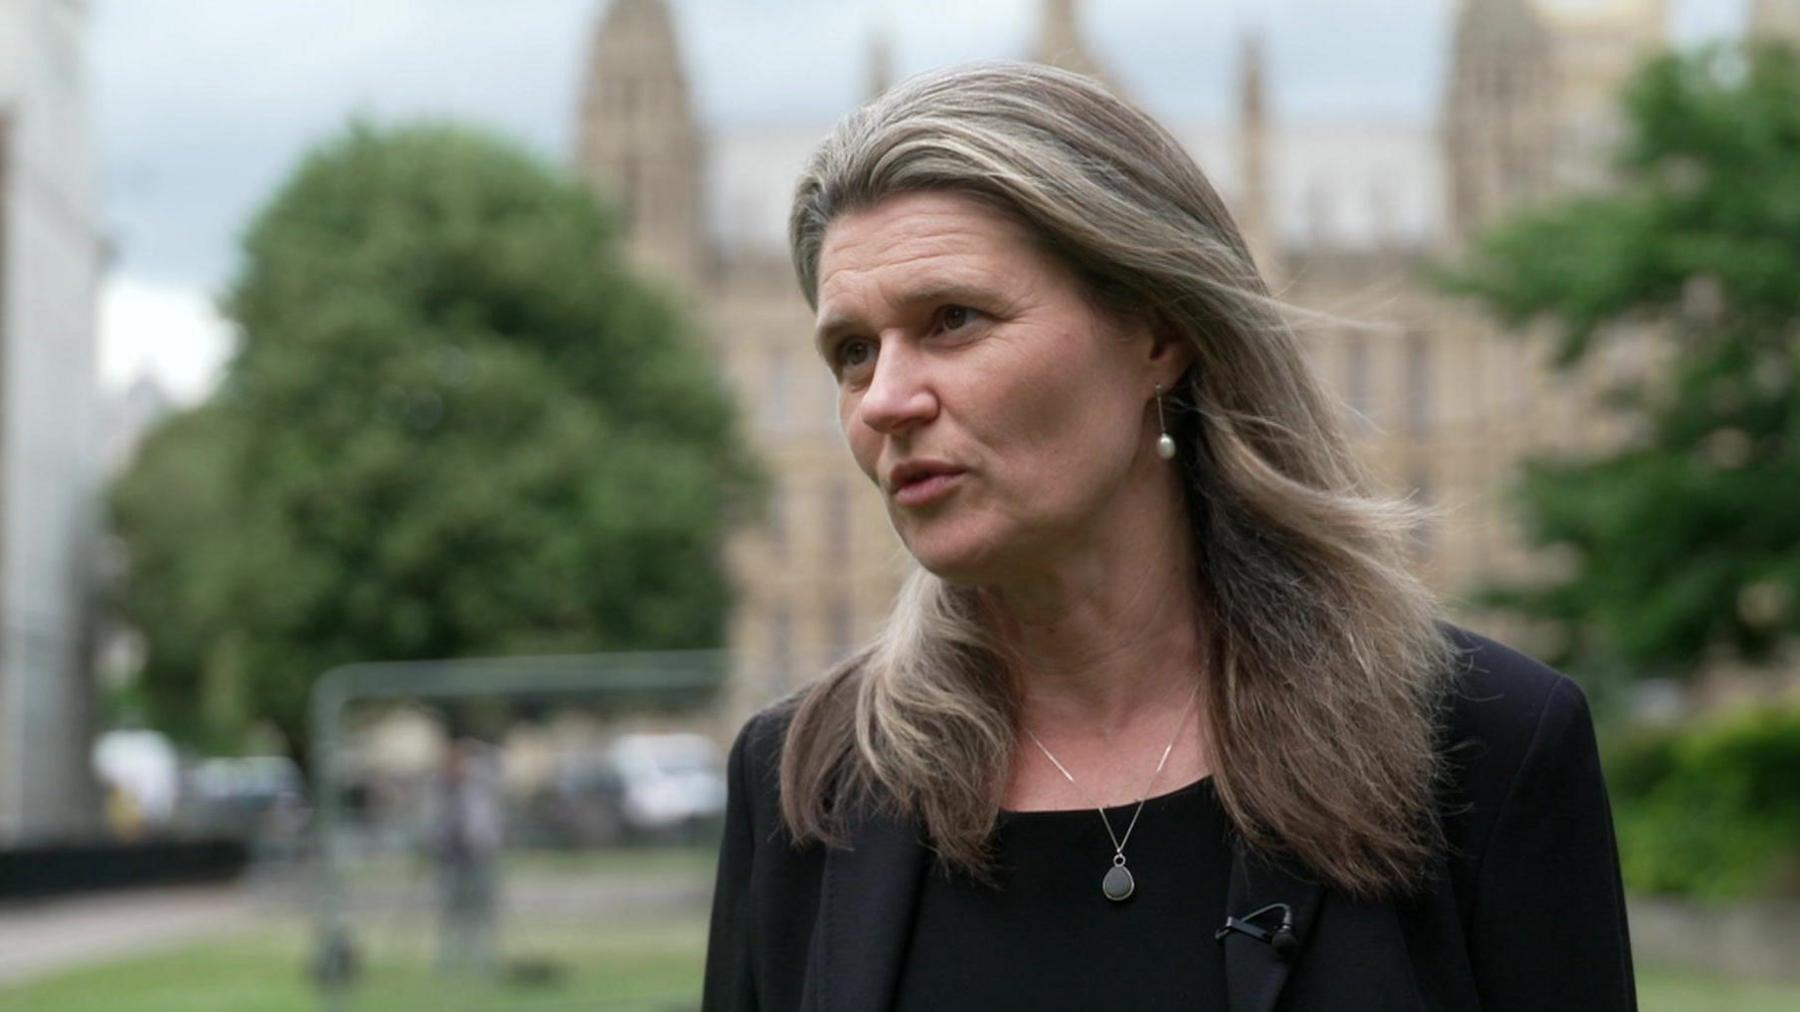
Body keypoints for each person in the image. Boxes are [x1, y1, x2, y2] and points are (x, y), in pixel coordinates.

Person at [702, 61, 1635, 1011]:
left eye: (953, 320)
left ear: (1159, 331)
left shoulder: (1485, 749)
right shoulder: (804, 787)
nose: (887, 402)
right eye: (852, 351)